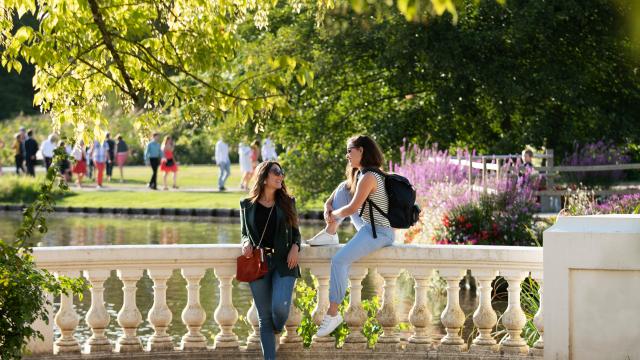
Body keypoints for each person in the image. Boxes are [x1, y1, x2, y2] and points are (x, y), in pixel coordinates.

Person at [313, 135, 396, 337]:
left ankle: (333, 314)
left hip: (380, 233)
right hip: (368, 226)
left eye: (350, 150)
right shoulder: (362, 174)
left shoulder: (369, 177)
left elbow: (352, 208)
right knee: (343, 187)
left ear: (362, 151)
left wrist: (333, 215)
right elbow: (344, 197)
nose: (347, 155)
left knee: (339, 260)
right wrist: (328, 205)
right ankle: (330, 233)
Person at [240, 161, 301, 360]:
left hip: (285, 261)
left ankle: (276, 330)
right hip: (259, 263)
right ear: (264, 177)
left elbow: (296, 234)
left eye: (282, 172)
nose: (281, 175)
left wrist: (295, 247)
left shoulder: (288, 202)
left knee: (280, 310)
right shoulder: (247, 205)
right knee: (264, 318)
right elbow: (244, 233)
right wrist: (246, 243)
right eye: (276, 172)